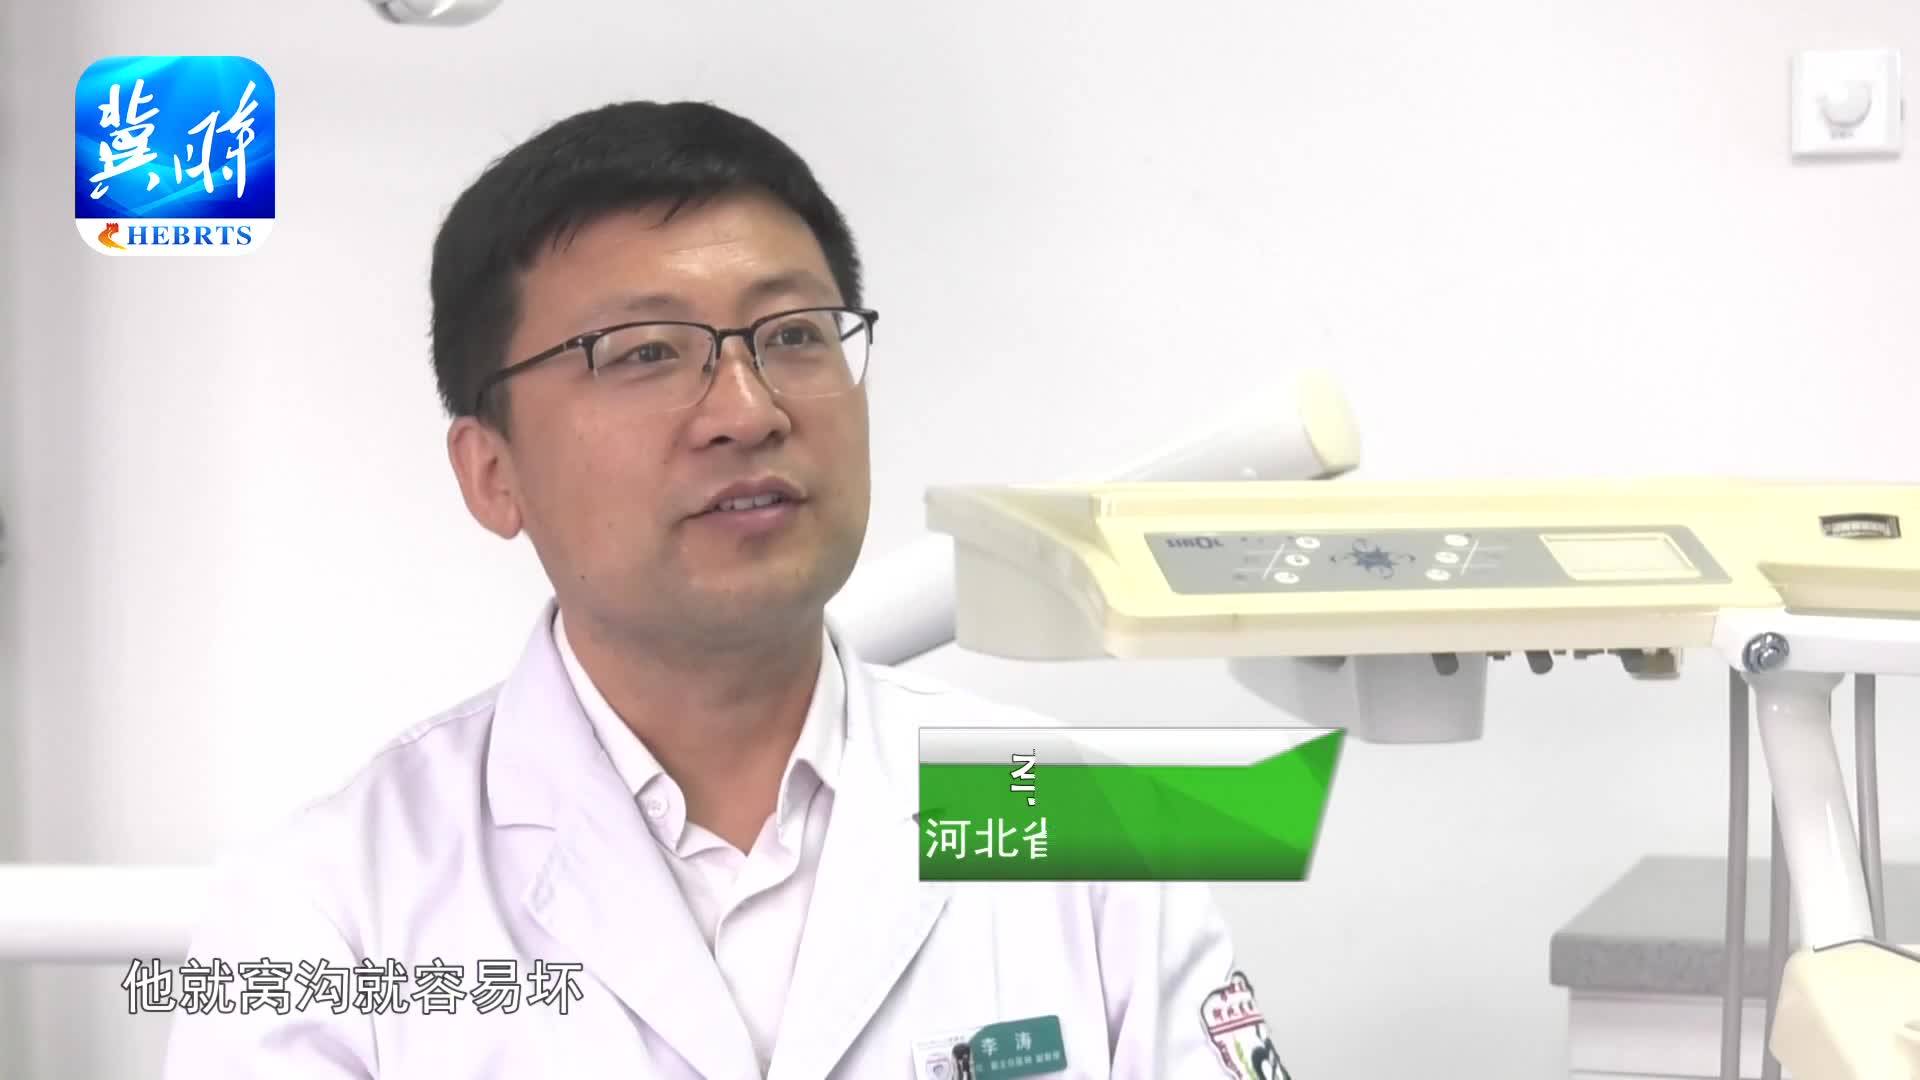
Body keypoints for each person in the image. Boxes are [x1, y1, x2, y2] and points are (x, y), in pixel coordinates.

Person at [162, 100, 1288, 1080]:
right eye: (646, 351)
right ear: (493, 472)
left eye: (793, 335)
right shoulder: (328, 905)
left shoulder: (1085, 827)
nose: (749, 410)